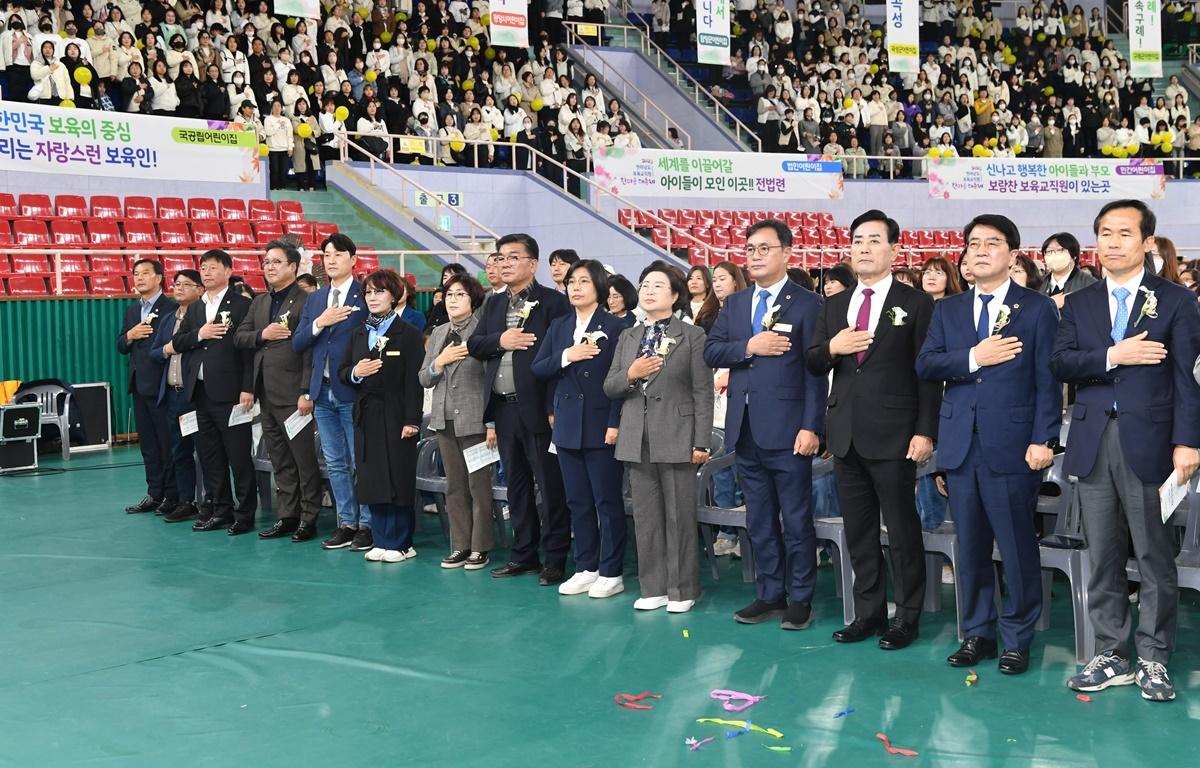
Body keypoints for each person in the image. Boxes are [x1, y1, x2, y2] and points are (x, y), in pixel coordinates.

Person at [1050, 200, 1200, 702]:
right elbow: (1062, 364)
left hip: (1152, 443)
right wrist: (1116, 354)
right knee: (1103, 555)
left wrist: (1187, 442)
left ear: (1146, 243)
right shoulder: (1080, 302)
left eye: (1123, 233)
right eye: (1105, 233)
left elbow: (1186, 380)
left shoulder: (1176, 301)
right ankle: (1111, 652)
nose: (1112, 243)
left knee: (1154, 556)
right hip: (1092, 442)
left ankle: (1153, 658)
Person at [917, 213, 1062, 676]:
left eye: (992, 243)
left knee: (1017, 545)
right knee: (971, 545)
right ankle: (976, 632)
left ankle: (1016, 637)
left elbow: (1047, 380)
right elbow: (928, 365)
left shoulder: (1036, 308)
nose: (980, 251)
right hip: (960, 447)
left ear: (1013, 254)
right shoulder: (948, 310)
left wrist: (1044, 439)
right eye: (973, 243)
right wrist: (973, 357)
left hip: (1014, 445)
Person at [805, 210, 940, 650]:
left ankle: (907, 616)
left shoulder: (916, 303)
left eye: (873, 241)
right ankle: (868, 613)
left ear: (894, 249)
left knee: (901, 530)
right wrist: (832, 347)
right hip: (844, 433)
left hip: (896, 434)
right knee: (859, 531)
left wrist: (925, 431)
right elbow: (812, 360)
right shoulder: (834, 304)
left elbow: (927, 374)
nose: (864, 248)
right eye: (857, 240)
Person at [704, 220, 826, 630]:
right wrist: (748, 347)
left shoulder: (808, 304)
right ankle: (769, 594)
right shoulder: (736, 304)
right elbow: (711, 350)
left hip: (790, 431)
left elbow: (815, 372)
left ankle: (801, 598)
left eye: (764, 248)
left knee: (795, 519)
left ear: (787, 253)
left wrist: (812, 426)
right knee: (758, 520)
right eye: (750, 249)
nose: (755, 256)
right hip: (744, 428)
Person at [604, 261, 713, 613]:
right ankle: (652, 588)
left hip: (678, 434)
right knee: (647, 517)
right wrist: (631, 374)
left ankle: (682, 590)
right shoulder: (628, 336)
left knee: (679, 516)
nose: (649, 291)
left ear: (675, 295)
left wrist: (701, 441)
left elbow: (702, 392)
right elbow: (610, 386)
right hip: (636, 435)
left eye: (657, 285)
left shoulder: (692, 335)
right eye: (645, 284)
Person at [467, 233, 572, 585]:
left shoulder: (553, 303)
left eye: (513, 257)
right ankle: (523, 555)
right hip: (504, 408)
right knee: (517, 486)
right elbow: (475, 344)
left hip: (541, 409)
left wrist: (553, 405)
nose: (505, 263)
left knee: (550, 485)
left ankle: (555, 558)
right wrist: (502, 341)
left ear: (533, 264)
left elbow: (561, 358)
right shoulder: (494, 304)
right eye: (501, 257)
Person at [532, 259, 628, 599]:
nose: (575, 287)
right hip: (568, 425)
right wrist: (567, 355)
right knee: (577, 501)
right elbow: (539, 367)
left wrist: (615, 422)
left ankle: (611, 570)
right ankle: (585, 566)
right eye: (572, 281)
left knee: (607, 500)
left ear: (600, 287)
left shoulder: (616, 327)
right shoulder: (559, 326)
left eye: (584, 281)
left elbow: (621, 381)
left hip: (602, 424)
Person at [232, 240, 321, 542]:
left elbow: (311, 349)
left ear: (293, 267)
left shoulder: (308, 300)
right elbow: (239, 337)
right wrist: (262, 335)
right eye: (266, 262)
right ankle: (288, 516)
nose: (269, 267)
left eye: (276, 262)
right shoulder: (259, 302)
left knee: (304, 461)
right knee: (280, 460)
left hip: (294, 394)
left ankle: (309, 519)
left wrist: (306, 390)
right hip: (266, 394)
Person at [292, 233, 373, 552]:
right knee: (336, 462)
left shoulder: (365, 294)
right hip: (321, 393)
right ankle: (346, 523)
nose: (332, 259)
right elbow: (299, 343)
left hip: (353, 389)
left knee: (360, 460)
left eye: (339, 254)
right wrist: (320, 323)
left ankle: (368, 524)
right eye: (326, 254)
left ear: (353, 259)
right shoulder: (314, 299)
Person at [340, 269, 425, 563]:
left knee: (397, 477)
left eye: (379, 291)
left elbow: (414, 382)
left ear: (394, 296)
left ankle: (401, 542)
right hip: (367, 412)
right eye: (368, 292)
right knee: (372, 476)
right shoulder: (359, 332)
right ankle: (381, 538)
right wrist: (355, 372)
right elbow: (342, 371)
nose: (372, 297)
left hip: (397, 412)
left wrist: (412, 420)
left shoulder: (409, 335)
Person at [171, 249, 258, 535]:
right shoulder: (196, 307)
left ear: (228, 271)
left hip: (233, 393)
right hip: (200, 392)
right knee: (209, 456)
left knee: (238, 456)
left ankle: (245, 514)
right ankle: (221, 509)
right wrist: (200, 334)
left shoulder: (241, 305)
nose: (206, 272)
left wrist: (248, 388)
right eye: (203, 268)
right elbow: (180, 341)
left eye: (213, 267)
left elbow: (248, 352)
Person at [419, 274, 494, 570]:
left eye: (459, 294)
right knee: (455, 487)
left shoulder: (483, 331)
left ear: (473, 300)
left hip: (475, 420)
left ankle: (480, 547)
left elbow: (492, 380)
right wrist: (440, 361)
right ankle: (460, 545)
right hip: (444, 418)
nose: (452, 300)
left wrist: (492, 422)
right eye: (449, 295)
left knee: (479, 487)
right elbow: (424, 377)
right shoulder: (438, 333)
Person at [118, 259, 178, 515]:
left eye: (145, 273)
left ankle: (172, 495)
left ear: (159, 278)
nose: (139, 278)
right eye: (135, 274)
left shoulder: (172, 307)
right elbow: (120, 345)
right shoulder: (132, 310)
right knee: (149, 446)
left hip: (162, 385)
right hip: (139, 386)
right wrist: (130, 336)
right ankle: (154, 493)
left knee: (168, 444)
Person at [151, 269, 203, 523]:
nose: (179, 288)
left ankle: (212, 500)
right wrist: (166, 349)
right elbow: (153, 353)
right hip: (172, 395)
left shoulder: (203, 318)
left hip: (196, 395)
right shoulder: (168, 319)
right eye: (176, 283)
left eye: (186, 284)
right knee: (179, 451)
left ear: (200, 290)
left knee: (206, 451)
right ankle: (186, 501)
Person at [1041, 232, 1097, 310]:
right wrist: (1051, 304)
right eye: (1048, 251)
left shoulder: (1090, 285)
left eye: (1060, 250)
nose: (1053, 255)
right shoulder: (1038, 284)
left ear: (1073, 256)